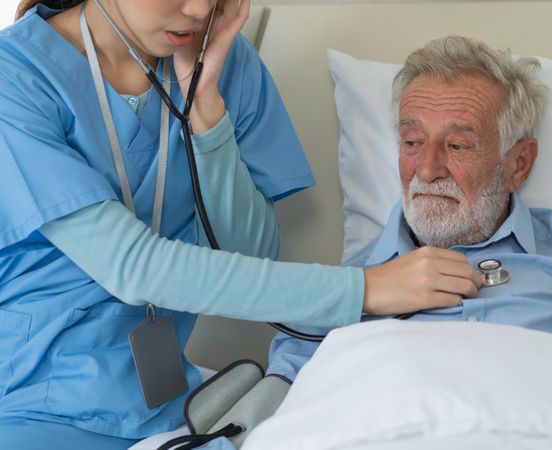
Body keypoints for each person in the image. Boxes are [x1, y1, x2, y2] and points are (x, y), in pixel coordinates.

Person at [0, 2, 478, 448]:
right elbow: (134, 268)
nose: (201, 9)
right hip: (29, 398)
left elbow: (252, 253)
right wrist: (365, 289)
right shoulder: (16, 75)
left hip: (168, 408)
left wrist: (207, 114)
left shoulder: (226, 62)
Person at [267, 35, 552, 383]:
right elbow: (281, 414)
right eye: (411, 142)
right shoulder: (339, 291)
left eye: (458, 145)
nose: (426, 169)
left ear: (518, 163)